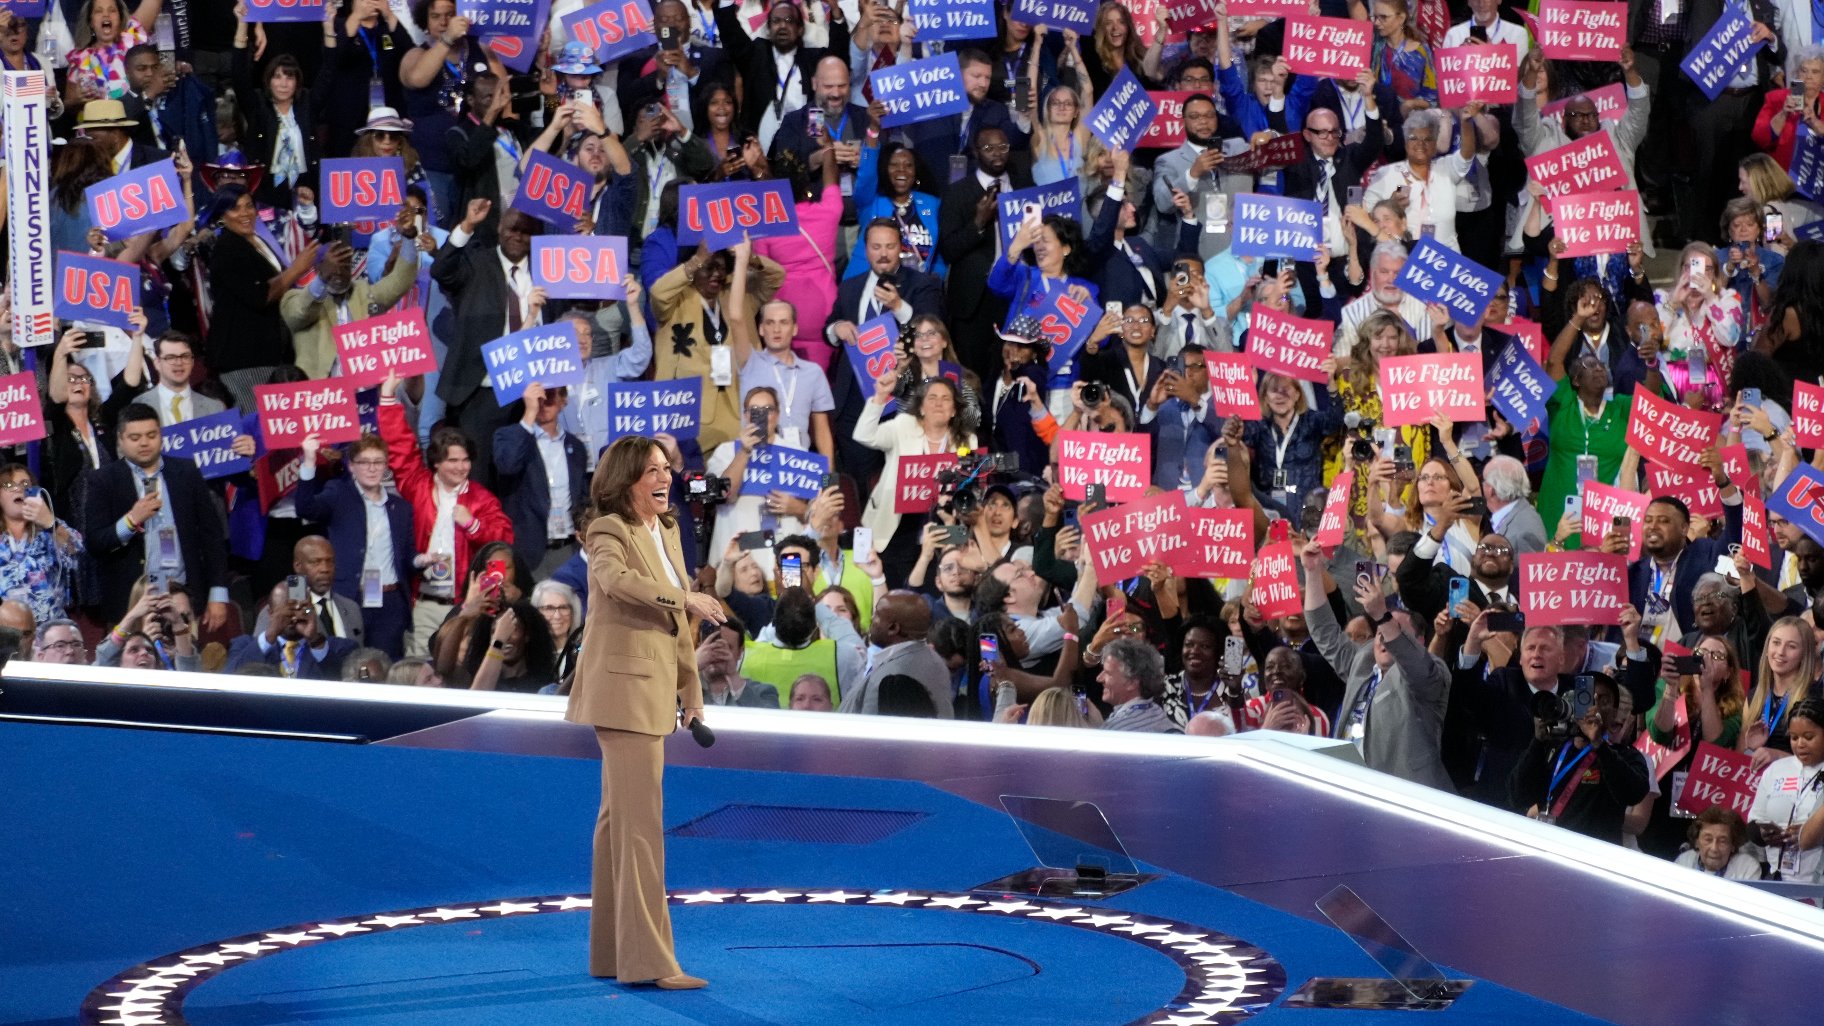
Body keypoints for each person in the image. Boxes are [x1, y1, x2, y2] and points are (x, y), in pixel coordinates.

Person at [565, 435, 724, 990]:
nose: (666, 478)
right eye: (652, 470)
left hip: (652, 694)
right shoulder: (608, 530)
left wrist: (694, 698)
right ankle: (652, 964)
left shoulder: (670, 531)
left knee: (618, 827)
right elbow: (615, 582)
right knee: (641, 832)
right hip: (624, 696)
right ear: (626, 479)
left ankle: (612, 953)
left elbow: (679, 629)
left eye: (668, 468)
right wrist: (685, 598)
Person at [1302, 539, 1453, 790]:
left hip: (1405, 796)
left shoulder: (1431, 674)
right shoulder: (1363, 662)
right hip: (1348, 785)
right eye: (1379, 633)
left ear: (1419, 640)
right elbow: (1325, 632)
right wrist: (1312, 571)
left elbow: (1413, 662)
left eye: (1394, 631)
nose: (1383, 639)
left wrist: (1382, 616)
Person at [79, 403, 231, 630]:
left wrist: (218, 593)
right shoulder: (103, 480)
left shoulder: (186, 471)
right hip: (130, 602)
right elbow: (95, 542)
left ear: (161, 435)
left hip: (184, 594)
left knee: (185, 660)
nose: (144, 443)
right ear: (120, 440)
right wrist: (130, 521)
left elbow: (212, 536)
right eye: (135, 437)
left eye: (151, 435)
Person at [296, 433, 417, 658]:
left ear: (385, 465)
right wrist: (309, 461)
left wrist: (422, 560)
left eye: (378, 462)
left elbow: (408, 556)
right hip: (349, 597)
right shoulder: (338, 494)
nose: (372, 468)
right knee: (345, 664)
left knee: (385, 669)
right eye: (364, 462)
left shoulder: (401, 508)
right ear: (351, 466)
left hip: (389, 603)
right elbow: (305, 508)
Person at [494, 383, 590, 578]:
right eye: (539, 397)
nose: (543, 402)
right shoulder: (508, 436)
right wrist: (529, 413)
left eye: (551, 396)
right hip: (529, 553)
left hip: (568, 549)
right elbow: (508, 464)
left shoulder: (576, 446)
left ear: (564, 401)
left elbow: (582, 497)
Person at [839, 590, 953, 717]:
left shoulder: (894, 675)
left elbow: (870, 730)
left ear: (893, 628)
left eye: (877, 615)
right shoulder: (932, 659)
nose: (872, 619)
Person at [1747, 696, 1824, 881]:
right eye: (1794, 737)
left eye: (1808, 737)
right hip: (1777, 877)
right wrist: (1764, 833)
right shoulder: (1777, 769)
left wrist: (1813, 834)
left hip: (1816, 882)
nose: (1800, 744)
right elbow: (1753, 823)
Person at [0, 464, 86, 624]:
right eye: (9, 485)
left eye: (25, 484)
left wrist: (50, 523)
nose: (18, 489)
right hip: (7, 635)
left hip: (51, 633)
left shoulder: (49, 530)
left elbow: (78, 551)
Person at [252, 535, 365, 649]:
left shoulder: (351, 608)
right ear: (298, 566)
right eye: (315, 562)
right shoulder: (281, 609)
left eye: (329, 561)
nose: (325, 569)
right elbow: (258, 658)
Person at [1099, 637, 1177, 733]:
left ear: (1131, 682)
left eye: (1108, 673)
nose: (1099, 678)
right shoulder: (1157, 713)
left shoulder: (1117, 730)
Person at [1673, 806, 1763, 879]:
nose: (1714, 848)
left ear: (1733, 845)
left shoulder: (1746, 867)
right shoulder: (1684, 861)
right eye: (1708, 839)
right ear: (1696, 842)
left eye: (1722, 841)